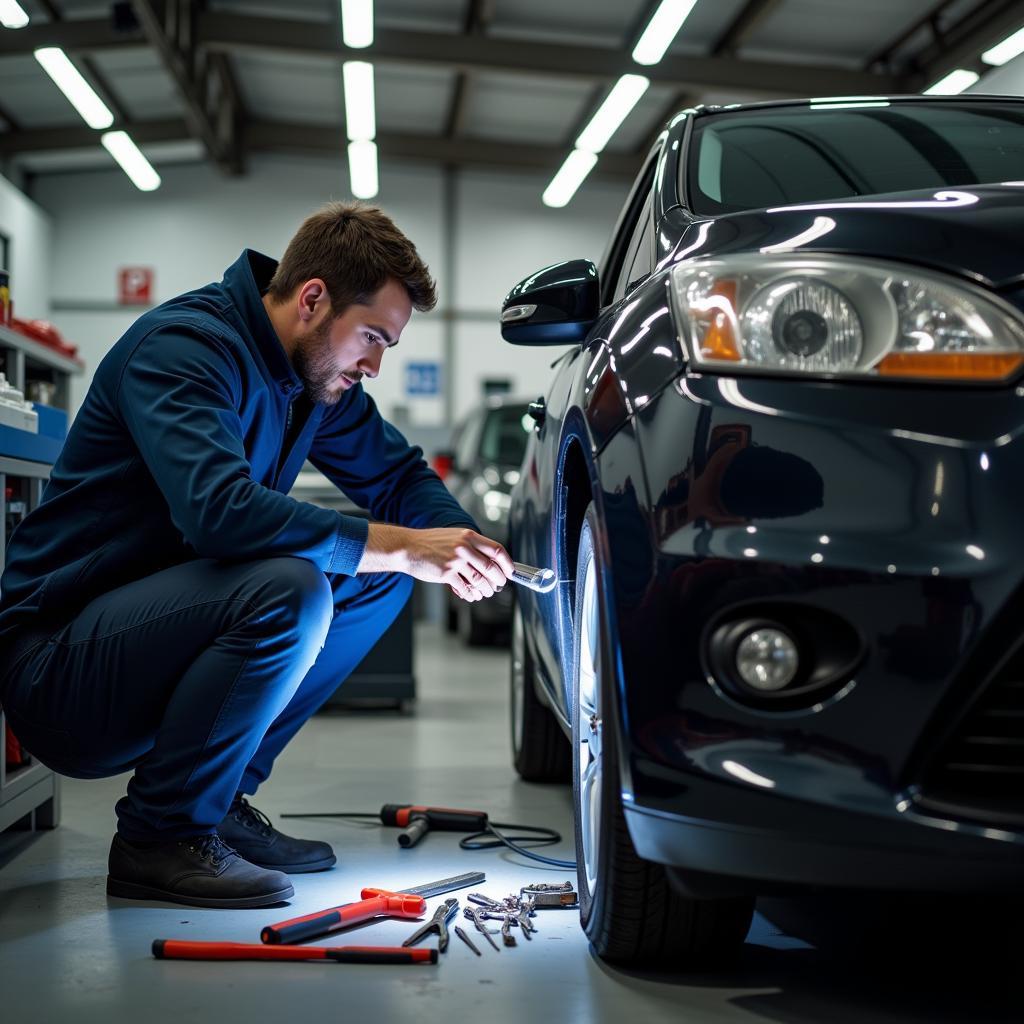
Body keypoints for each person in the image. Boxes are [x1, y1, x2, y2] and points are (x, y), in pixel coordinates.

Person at [0, 202, 513, 909]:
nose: (373, 364)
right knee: (292, 588)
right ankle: (161, 833)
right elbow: (220, 513)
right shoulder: (185, 348)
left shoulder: (312, 381)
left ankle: (218, 802)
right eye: (370, 337)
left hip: (154, 638)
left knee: (379, 582)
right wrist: (399, 544)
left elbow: (397, 477)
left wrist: (459, 547)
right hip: (61, 670)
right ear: (312, 299)